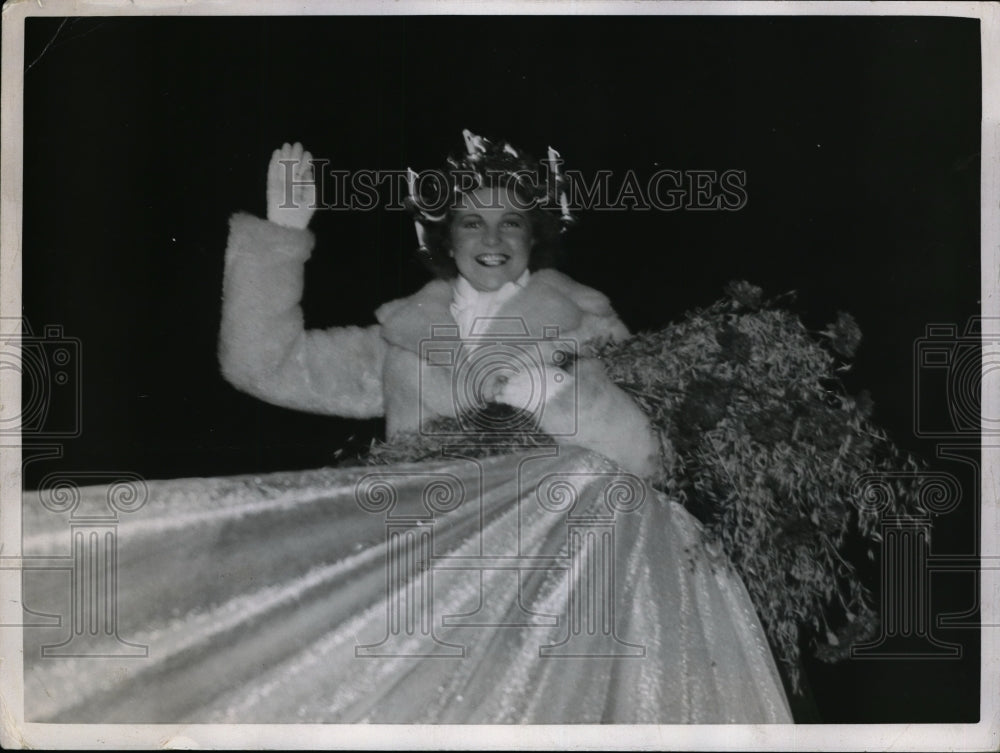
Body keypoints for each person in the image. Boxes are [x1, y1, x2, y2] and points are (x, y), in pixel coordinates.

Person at [214, 135, 793, 724]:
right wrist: (280, 237)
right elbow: (260, 364)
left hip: (547, 598)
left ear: (532, 238)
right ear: (445, 238)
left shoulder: (585, 328)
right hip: (426, 581)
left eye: (510, 222)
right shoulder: (401, 339)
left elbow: (652, 463)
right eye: (471, 222)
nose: (491, 240)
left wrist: (561, 397)